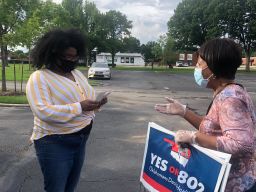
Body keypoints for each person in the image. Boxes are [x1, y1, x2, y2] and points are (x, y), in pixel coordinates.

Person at [155, 38, 256, 192]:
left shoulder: (231, 99)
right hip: (221, 179)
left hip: (237, 185)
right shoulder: (225, 92)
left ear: (213, 70)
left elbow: (240, 144)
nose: (196, 68)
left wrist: (193, 137)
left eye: (200, 64)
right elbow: (213, 128)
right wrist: (183, 111)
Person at [26, 29, 107, 192]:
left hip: (81, 140)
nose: (71, 60)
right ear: (52, 54)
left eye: (74, 56)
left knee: (70, 187)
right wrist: (80, 106)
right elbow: (43, 111)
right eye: (66, 56)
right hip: (54, 143)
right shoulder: (39, 77)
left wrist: (97, 103)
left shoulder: (76, 73)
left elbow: (87, 96)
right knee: (56, 188)